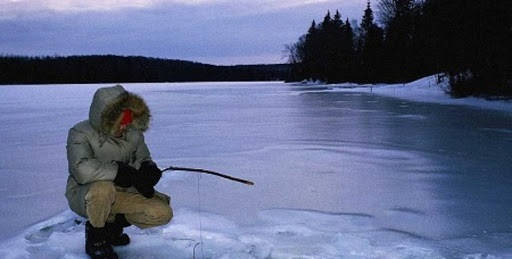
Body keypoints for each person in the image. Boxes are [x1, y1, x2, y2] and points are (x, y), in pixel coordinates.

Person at [65, 85, 173, 259]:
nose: (126, 126)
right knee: (102, 189)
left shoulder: (133, 133)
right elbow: (81, 169)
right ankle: (97, 237)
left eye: (128, 120)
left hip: (122, 193)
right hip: (85, 194)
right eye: (122, 121)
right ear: (108, 118)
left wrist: (148, 169)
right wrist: (118, 172)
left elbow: (143, 157)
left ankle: (112, 227)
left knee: (162, 213)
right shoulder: (80, 133)